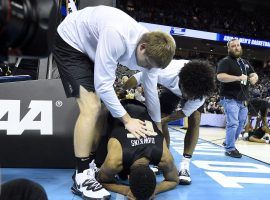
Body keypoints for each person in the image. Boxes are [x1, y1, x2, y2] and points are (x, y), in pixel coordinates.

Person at [53, 5, 176, 199]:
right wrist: (128, 120)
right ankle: (81, 176)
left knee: (103, 107)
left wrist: (157, 127)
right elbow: (103, 86)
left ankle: (90, 163)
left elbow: (151, 93)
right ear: (142, 47)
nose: (148, 69)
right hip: (71, 41)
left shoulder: (151, 53)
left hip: (92, 45)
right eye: (147, 65)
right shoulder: (117, 36)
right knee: (92, 106)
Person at [123, 59, 216, 185]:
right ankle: (161, 157)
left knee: (195, 118)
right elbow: (139, 76)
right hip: (172, 88)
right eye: (186, 95)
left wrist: (161, 121)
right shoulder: (166, 71)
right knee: (160, 115)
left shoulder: (200, 93)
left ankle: (185, 164)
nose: (187, 98)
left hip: (190, 89)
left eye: (191, 97)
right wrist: (122, 90)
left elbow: (183, 112)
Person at [96, 99, 179, 199]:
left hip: (143, 108)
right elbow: (100, 180)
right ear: (129, 177)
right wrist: (125, 190)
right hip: (118, 109)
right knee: (99, 158)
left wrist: (154, 190)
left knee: (116, 172)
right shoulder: (114, 162)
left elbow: (174, 181)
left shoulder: (165, 157)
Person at [217, 38, 258, 158]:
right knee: (233, 123)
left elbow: (253, 73)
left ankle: (228, 142)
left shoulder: (245, 62)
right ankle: (230, 148)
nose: (236, 47)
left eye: (238, 45)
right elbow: (220, 76)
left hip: (243, 99)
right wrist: (238, 78)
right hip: (230, 98)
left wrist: (254, 77)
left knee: (241, 124)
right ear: (229, 48)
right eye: (233, 46)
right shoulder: (225, 61)